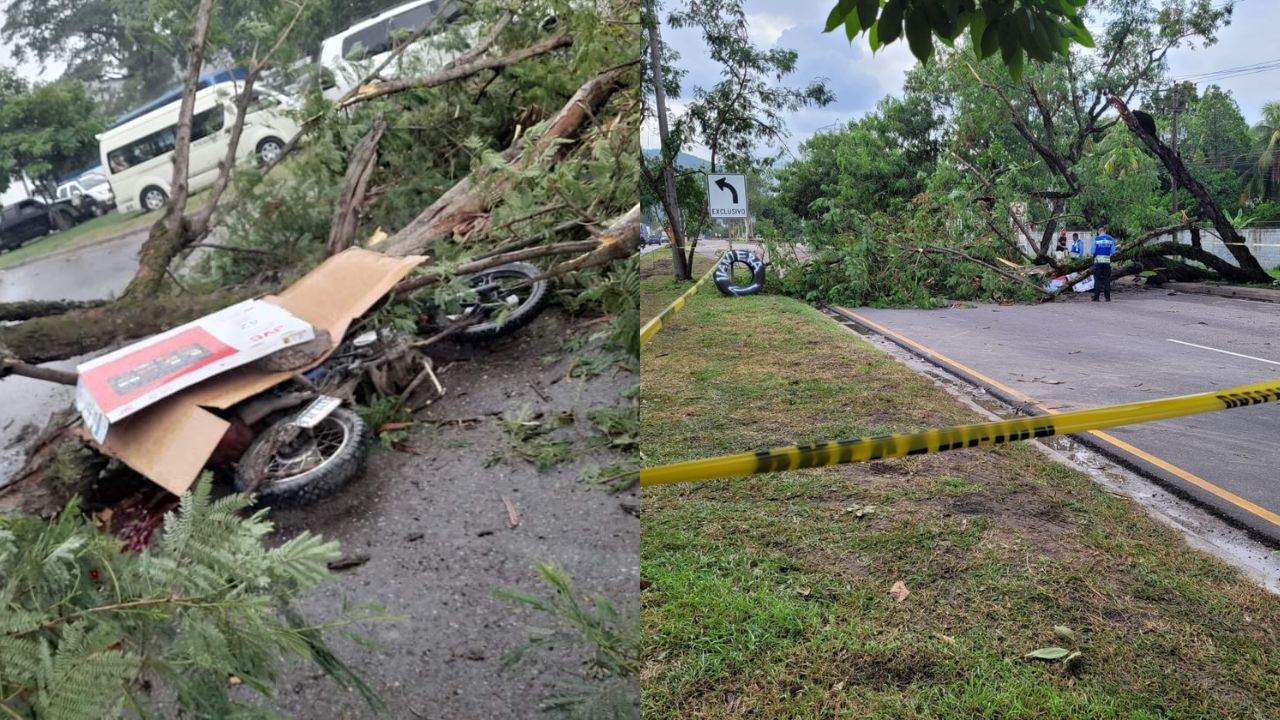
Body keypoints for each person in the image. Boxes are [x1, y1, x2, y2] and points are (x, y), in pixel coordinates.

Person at [1090, 223, 1116, 302]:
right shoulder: (1110, 239)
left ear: (1098, 231)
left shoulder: (1096, 239)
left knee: (1097, 280)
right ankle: (1107, 298)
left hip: (1098, 262)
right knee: (1107, 280)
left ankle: (1096, 298)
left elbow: (1092, 251)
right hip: (1107, 262)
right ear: (1104, 230)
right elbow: (1112, 252)